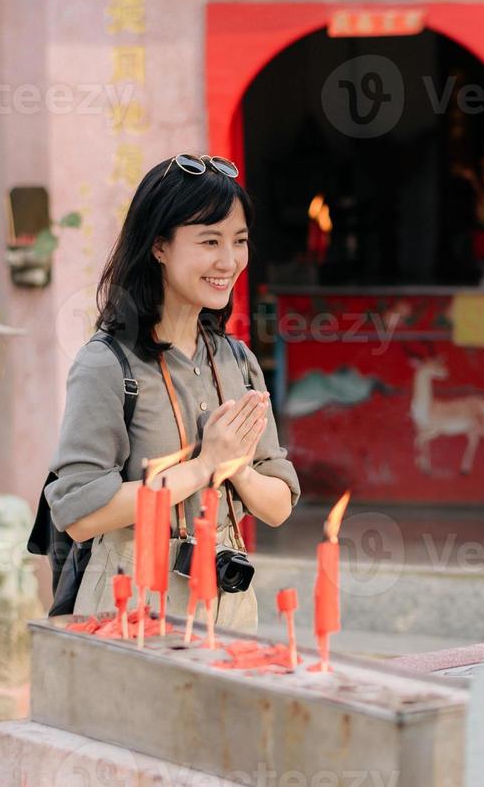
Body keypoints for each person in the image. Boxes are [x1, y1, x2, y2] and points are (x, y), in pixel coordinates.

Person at [45, 153, 299, 632]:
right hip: (129, 600)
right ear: (159, 246)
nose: (228, 261)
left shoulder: (237, 361)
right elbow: (81, 515)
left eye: (239, 241)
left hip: (228, 601)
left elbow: (279, 506)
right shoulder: (107, 363)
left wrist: (237, 470)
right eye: (209, 241)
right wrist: (202, 467)